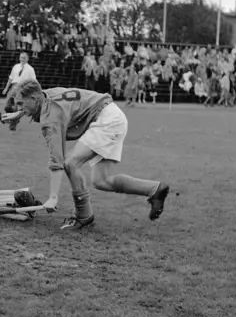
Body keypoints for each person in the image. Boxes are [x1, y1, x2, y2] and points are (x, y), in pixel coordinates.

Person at [9, 79, 170, 231]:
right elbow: (38, 101)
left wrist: (53, 197)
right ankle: (154, 189)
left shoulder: (51, 119)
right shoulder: (45, 95)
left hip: (106, 121)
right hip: (112, 115)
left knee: (71, 163)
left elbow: (56, 159)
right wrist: (21, 114)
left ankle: (83, 216)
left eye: (20, 104)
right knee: (102, 181)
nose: (19, 108)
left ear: (33, 98)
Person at [0, 51, 37, 131]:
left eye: (24, 58)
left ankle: (13, 125)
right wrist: (6, 88)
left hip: (22, 89)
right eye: (20, 57)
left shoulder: (30, 69)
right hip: (13, 87)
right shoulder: (16, 66)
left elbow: (33, 81)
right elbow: (11, 78)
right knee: (7, 106)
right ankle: (14, 119)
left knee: (16, 107)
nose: (21, 59)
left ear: (27, 59)